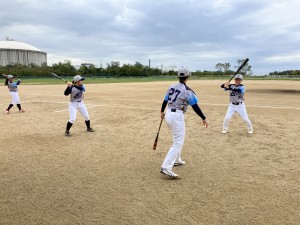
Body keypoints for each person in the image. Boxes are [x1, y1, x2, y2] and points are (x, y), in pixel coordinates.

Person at [160, 68, 208, 179]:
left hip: (169, 114)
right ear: (188, 77)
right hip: (177, 116)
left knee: (178, 140)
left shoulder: (172, 86)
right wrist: (203, 118)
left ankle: (177, 160)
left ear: (178, 77)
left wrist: (162, 111)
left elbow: (165, 100)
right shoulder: (187, 90)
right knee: (177, 142)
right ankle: (166, 167)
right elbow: (195, 105)